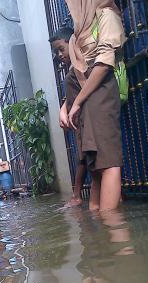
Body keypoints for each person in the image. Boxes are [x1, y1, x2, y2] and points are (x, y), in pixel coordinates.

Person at [65, 0, 126, 211]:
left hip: (98, 97)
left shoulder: (107, 16)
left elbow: (103, 64)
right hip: (83, 102)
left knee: (107, 161)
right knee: (94, 163)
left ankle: (112, 229)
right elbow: (78, 70)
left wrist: (77, 102)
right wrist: (66, 105)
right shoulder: (82, 27)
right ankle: (99, 231)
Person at [50, 27, 88, 208]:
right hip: (79, 121)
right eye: (56, 51)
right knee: (84, 157)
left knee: (86, 158)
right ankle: (78, 195)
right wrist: (64, 109)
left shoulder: (79, 67)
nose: (59, 55)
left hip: (86, 120)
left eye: (61, 49)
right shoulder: (73, 70)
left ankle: (77, 195)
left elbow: (84, 90)